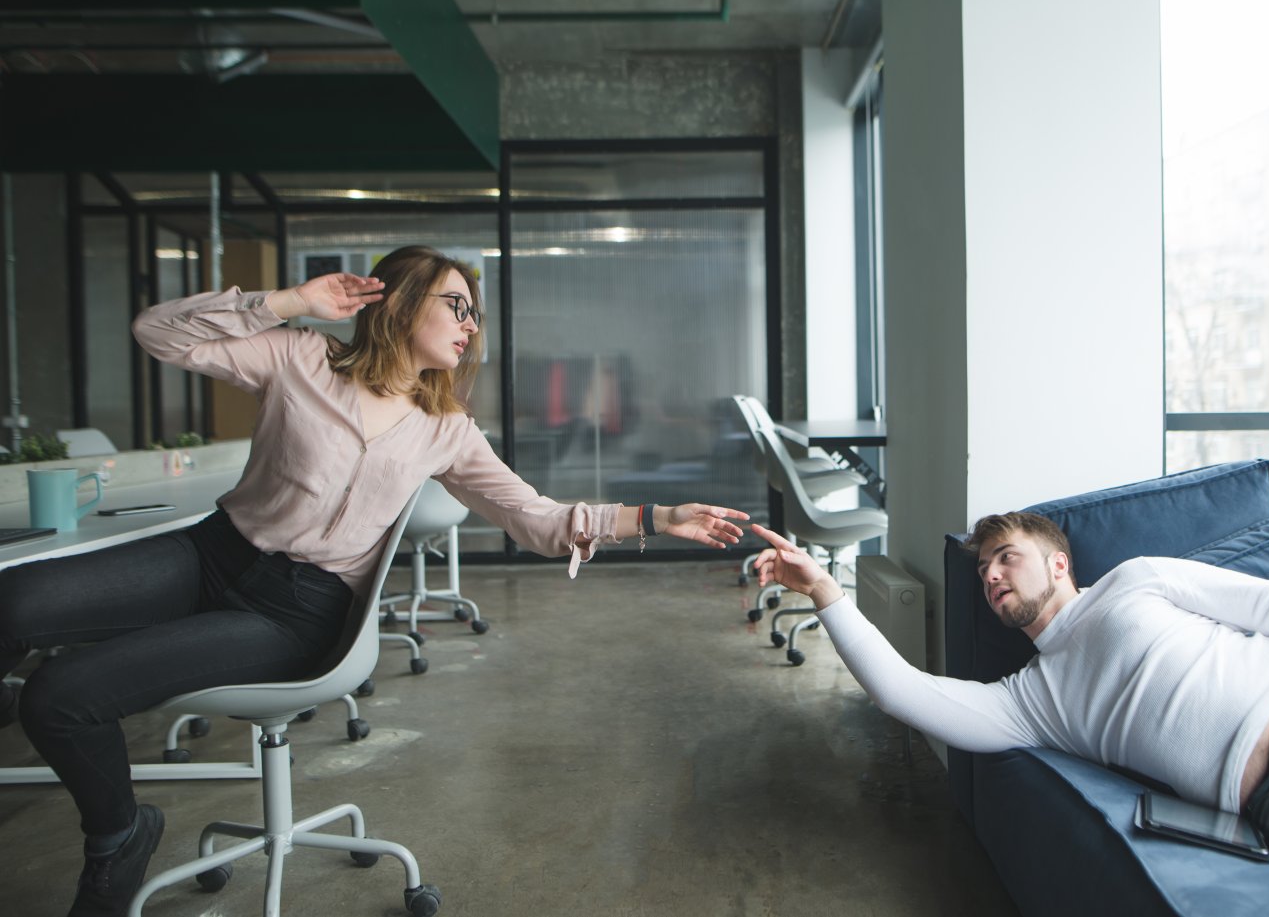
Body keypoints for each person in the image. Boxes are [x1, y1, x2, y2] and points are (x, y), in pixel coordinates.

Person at [0, 244, 748, 917]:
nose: (470, 325)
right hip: (212, 553)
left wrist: (654, 515)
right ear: (397, 299)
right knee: (17, 600)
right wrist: (291, 301)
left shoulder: (445, 428)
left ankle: (118, 839)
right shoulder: (300, 357)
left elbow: (538, 518)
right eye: (456, 305)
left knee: (61, 696)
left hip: (293, 615)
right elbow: (159, 332)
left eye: (475, 315)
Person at [750, 514, 1269, 917]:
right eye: (983, 571)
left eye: (1006, 557)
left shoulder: (1137, 582)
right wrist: (822, 588)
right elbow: (903, 691)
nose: (991, 575)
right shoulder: (1030, 702)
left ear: (1059, 563)